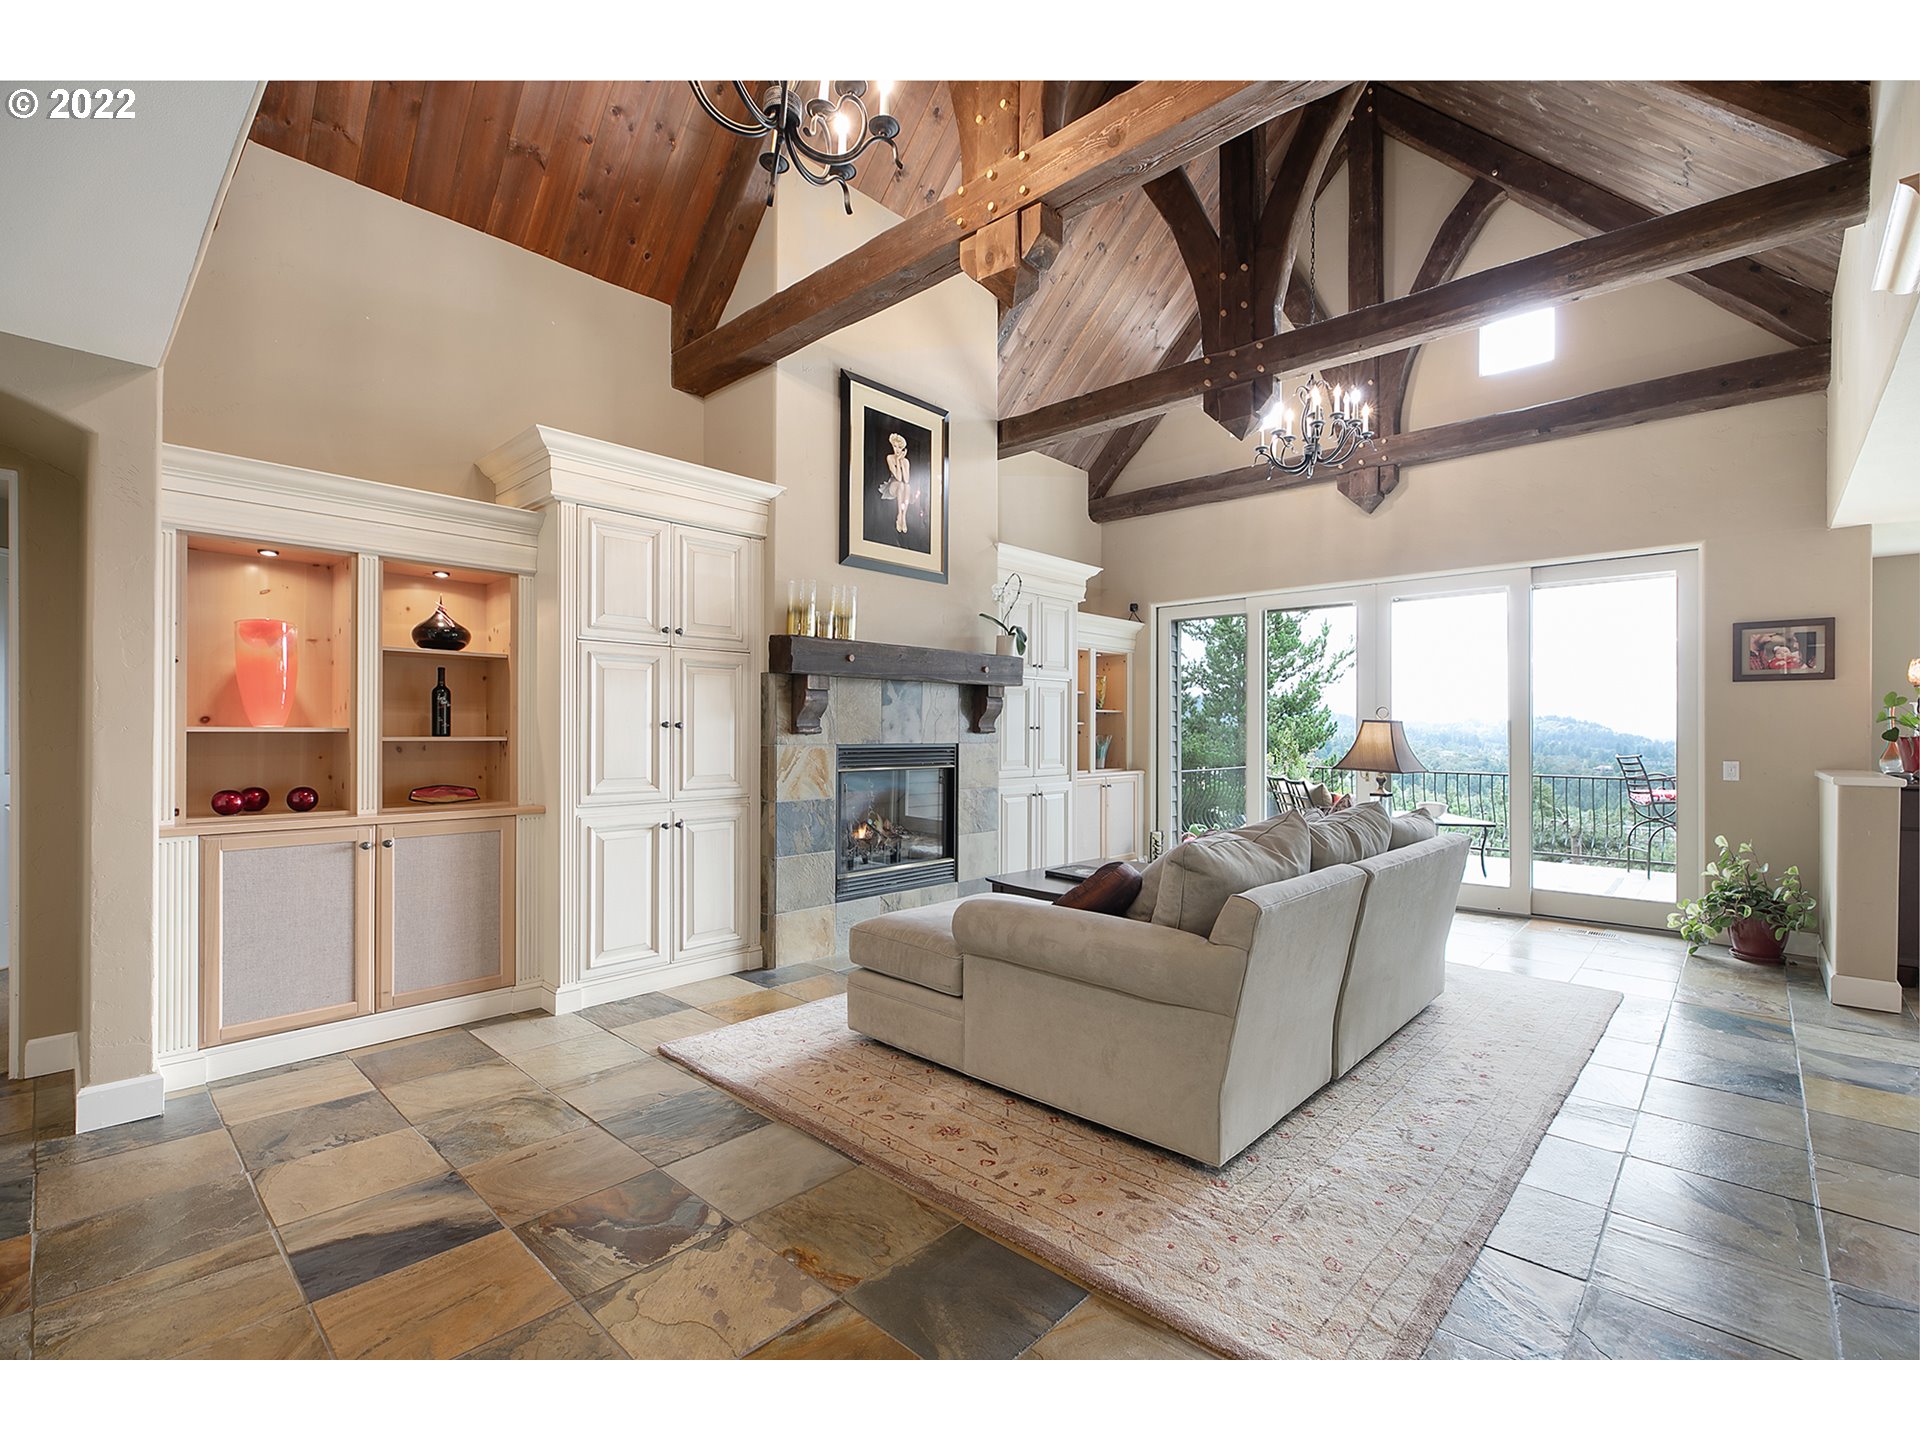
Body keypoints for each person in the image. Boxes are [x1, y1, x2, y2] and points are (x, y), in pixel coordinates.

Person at [883, 432, 912, 535]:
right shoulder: (890, 458)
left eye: (899, 447)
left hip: (903, 488)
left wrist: (901, 462)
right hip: (893, 485)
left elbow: (907, 479)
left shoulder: (906, 461)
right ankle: (899, 514)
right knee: (901, 485)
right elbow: (898, 478)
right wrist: (898, 460)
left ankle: (903, 516)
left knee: (906, 486)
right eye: (895, 446)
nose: (897, 449)